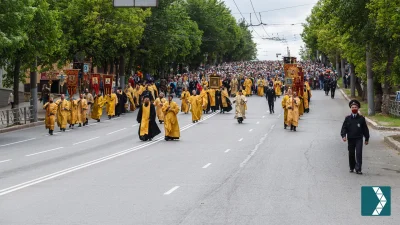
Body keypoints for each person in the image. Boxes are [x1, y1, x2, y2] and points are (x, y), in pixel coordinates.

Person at [341, 100, 370, 174]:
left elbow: (365, 129)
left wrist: (366, 138)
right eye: (352, 107)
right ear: (350, 108)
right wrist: (343, 136)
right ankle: (352, 167)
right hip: (350, 138)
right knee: (351, 153)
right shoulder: (347, 118)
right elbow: (344, 128)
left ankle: (358, 168)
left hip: (359, 139)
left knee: (359, 153)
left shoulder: (361, 119)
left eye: (355, 107)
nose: (354, 108)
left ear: (358, 108)